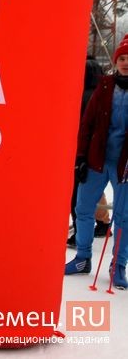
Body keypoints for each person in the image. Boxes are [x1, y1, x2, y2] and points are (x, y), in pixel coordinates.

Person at [65, 41, 128, 290]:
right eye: (122, 58)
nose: (126, 63)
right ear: (115, 61)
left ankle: (118, 265)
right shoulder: (104, 87)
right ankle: (82, 258)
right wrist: (80, 157)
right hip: (96, 161)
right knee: (83, 209)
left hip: (124, 166)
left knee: (123, 217)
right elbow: (87, 124)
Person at [68, 54, 106, 248]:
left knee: (78, 195)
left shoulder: (80, 96)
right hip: (101, 154)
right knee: (96, 192)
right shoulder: (104, 95)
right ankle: (103, 222)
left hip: (81, 152)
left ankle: (81, 235)